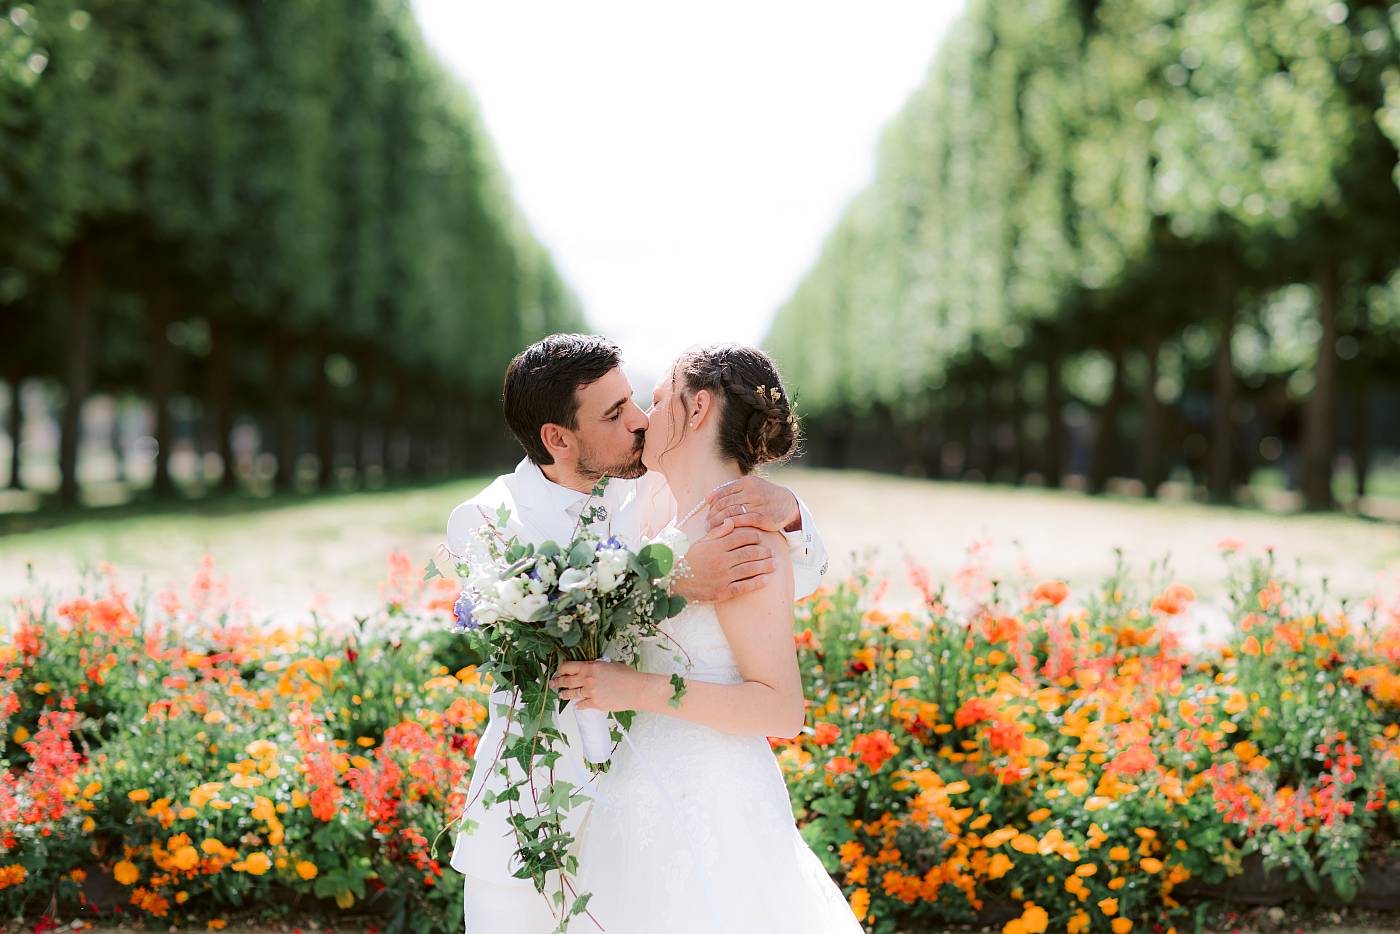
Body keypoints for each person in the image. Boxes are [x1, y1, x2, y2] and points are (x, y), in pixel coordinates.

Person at [445, 334, 830, 932]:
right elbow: (542, 656)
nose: (641, 422)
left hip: (660, 803)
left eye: (638, 400)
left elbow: (779, 574)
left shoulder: (652, 487)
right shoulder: (489, 521)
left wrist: (792, 509)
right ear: (558, 438)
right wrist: (672, 580)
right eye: (616, 413)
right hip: (535, 807)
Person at [553, 343, 862, 933]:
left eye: (659, 396)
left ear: (697, 409)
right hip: (634, 788)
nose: (645, 415)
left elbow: (782, 708)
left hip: (712, 801)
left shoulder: (746, 538)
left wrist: (634, 689)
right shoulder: (653, 506)